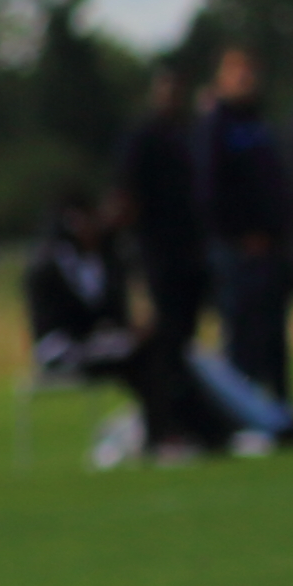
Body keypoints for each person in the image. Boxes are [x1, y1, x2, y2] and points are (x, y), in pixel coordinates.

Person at [28, 188, 241, 461]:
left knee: (160, 354)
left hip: (100, 344)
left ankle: (191, 430)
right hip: (65, 349)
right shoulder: (48, 267)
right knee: (151, 359)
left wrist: (125, 333)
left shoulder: (105, 258)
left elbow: (113, 313)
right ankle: (169, 435)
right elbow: (56, 329)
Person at [197, 47, 293, 408]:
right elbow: (210, 192)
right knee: (242, 335)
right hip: (237, 249)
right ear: (221, 78)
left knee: (274, 334)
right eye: (236, 71)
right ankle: (244, 415)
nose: (245, 79)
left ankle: (281, 410)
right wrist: (241, 235)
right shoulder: (216, 126)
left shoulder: (259, 123)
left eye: (249, 71)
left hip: (270, 246)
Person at [115, 64, 206, 376]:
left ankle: (189, 400)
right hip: (159, 249)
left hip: (191, 248)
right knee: (168, 328)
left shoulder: (190, 133)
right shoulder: (143, 137)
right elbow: (128, 193)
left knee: (188, 330)